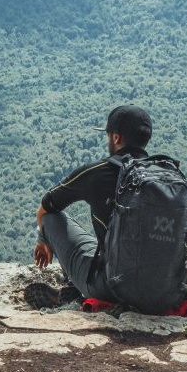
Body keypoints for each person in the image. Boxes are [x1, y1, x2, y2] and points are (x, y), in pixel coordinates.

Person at [26, 104, 154, 309]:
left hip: (112, 287)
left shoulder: (98, 172)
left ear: (116, 138)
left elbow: (45, 208)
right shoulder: (165, 176)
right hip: (165, 290)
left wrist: (43, 239)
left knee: (52, 220)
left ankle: (77, 289)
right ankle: (76, 290)